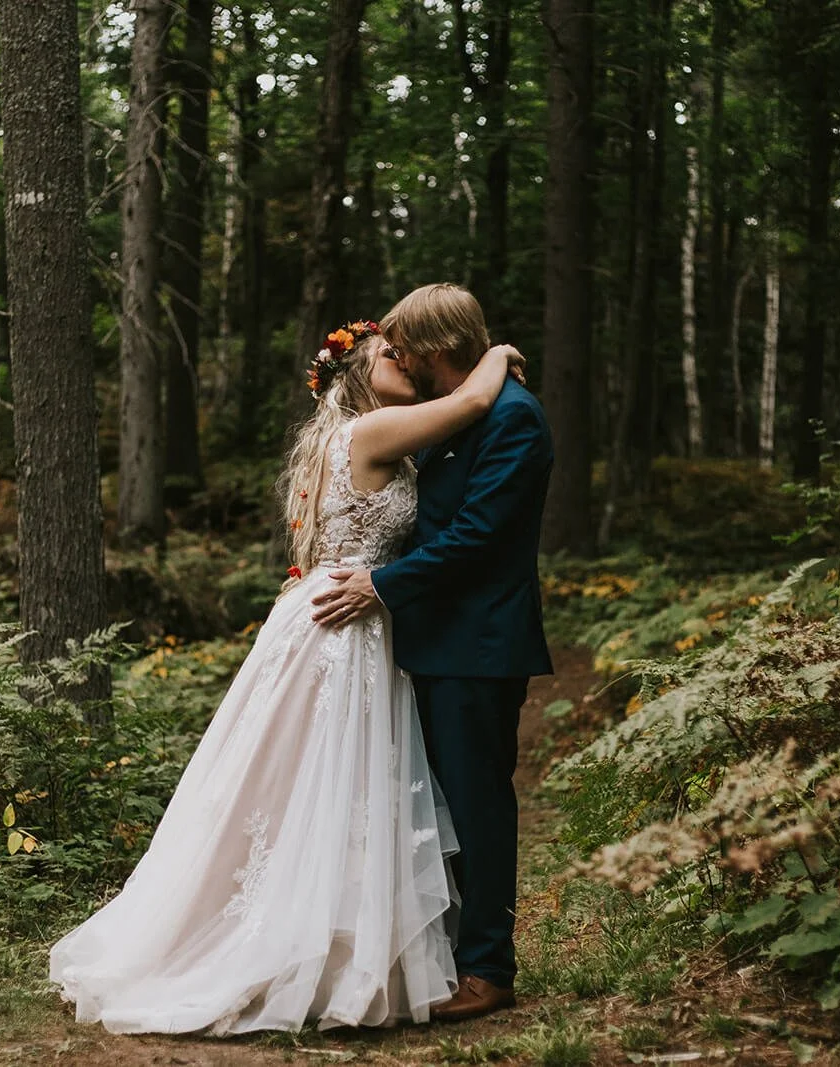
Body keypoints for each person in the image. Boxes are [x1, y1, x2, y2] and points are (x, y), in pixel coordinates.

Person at [49, 317, 522, 1035]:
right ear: (359, 376)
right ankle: (305, 947)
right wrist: (496, 353)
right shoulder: (366, 434)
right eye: (388, 354)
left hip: (341, 614)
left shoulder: (354, 435)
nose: (404, 360)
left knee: (323, 787)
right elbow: (468, 405)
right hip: (346, 624)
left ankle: (337, 942)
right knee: (327, 783)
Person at [312, 283, 554, 1023]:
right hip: (432, 640)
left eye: (406, 346)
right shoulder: (452, 418)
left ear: (438, 350)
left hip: (480, 644)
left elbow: (475, 538)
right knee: (438, 805)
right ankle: (445, 952)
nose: (400, 358)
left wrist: (381, 584)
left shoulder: (514, 419)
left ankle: (489, 966)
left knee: (478, 804)